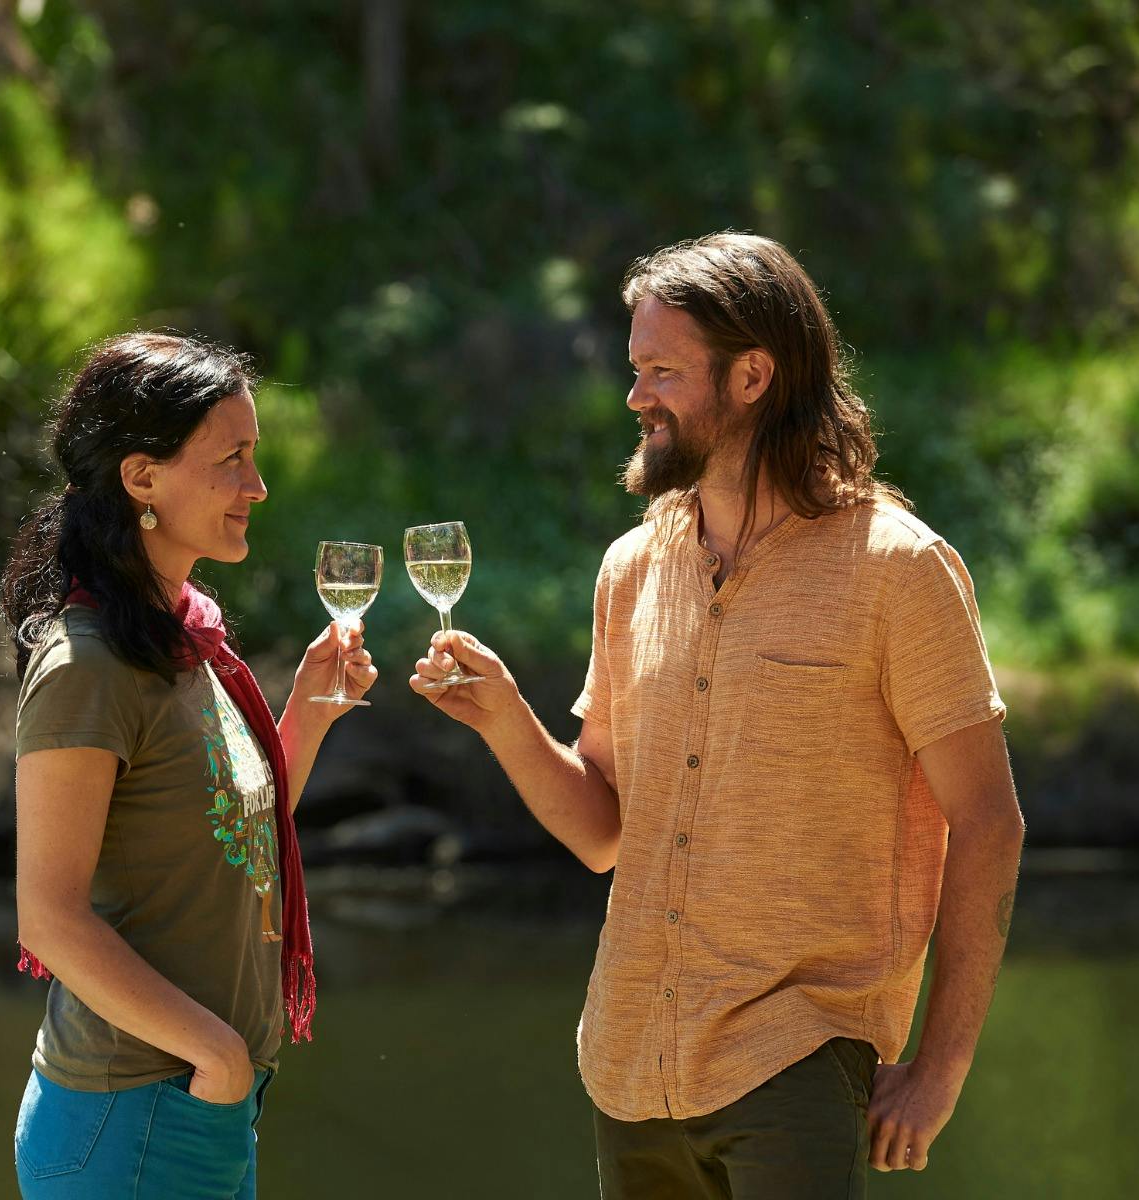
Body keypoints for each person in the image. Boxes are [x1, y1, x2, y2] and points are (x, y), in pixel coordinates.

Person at [411, 233, 1025, 1198]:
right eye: (636, 369)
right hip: (626, 1066)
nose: (636, 396)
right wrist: (505, 721)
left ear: (752, 376)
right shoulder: (631, 569)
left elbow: (989, 821)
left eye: (662, 371)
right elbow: (605, 831)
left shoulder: (899, 571)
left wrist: (939, 1069)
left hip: (796, 1058)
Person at [0, 331, 376, 1199]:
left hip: (199, 1107)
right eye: (231, 459)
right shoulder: (86, 665)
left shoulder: (183, 640)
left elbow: (233, 832)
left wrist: (308, 713)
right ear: (142, 478)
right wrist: (216, 1053)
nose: (258, 485)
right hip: (132, 1116)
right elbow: (48, 918)